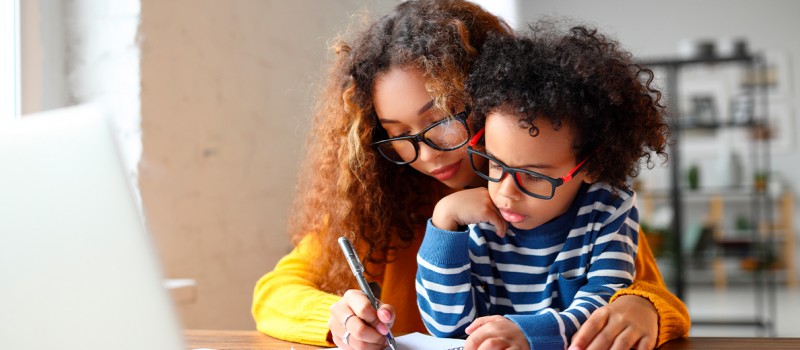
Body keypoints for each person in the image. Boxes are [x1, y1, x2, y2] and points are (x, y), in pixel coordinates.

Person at [251, 1, 690, 349]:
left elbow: (644, 294)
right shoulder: (381, 202)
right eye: (398, 134)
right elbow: (274, 291)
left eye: (441, 119)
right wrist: (337, 318)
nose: (426, 153)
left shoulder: (571, 196)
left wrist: (644, 307)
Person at [416, 23, 668, 350]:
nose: (506, 192)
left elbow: (604, 307)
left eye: (534, 176)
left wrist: (528, 333)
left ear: (590, 166)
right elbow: (446, 326)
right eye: (496, 164)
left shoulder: (609, 210)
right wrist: (443, 224)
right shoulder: (479, 216)